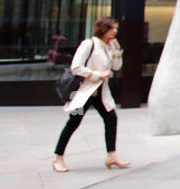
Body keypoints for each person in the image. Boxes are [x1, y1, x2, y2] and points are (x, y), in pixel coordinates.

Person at [52, 16, 130, 171]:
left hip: (100, 94)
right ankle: (58, 158)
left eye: (116, 28)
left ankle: (112, 155)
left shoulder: (109, 46)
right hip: (83, 93)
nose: (115, 31)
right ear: (104, 29)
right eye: (112, 28)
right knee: (73, 123)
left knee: (111, 119)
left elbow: (116, 67)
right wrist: (97, 75)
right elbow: (76, 67)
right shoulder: (89, 44)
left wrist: (117, 52)